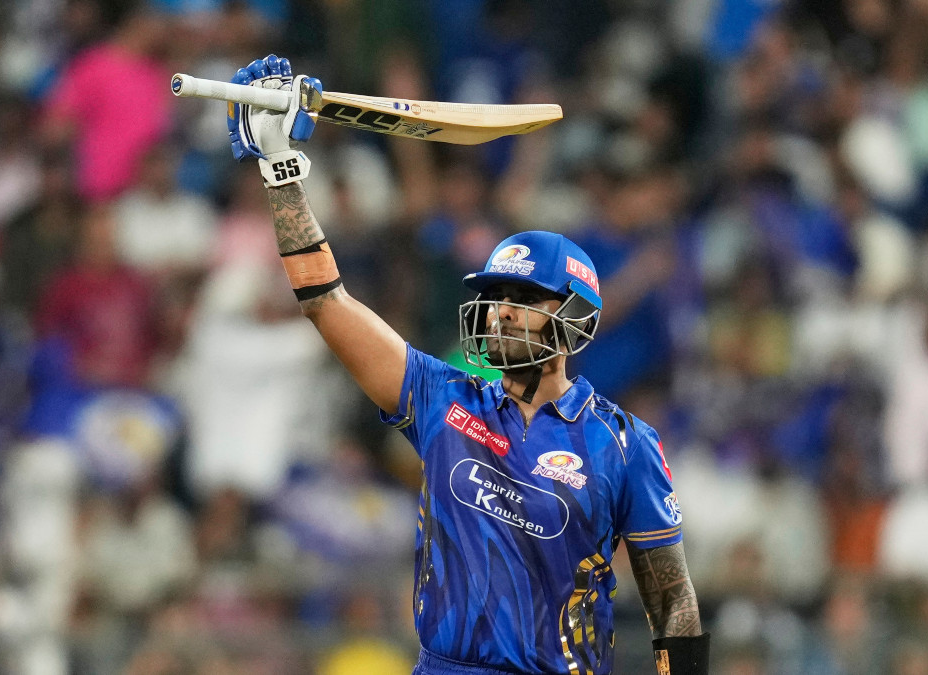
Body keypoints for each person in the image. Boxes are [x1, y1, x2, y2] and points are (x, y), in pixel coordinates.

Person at [225, 55, 709, 675]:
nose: (502, 313)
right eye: (495, 298)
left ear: (573, 317)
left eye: (524, 300)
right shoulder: (440, 398)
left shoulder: (624, 445)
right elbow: (327, 302)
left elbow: (672, 601)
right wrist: (279, 169)